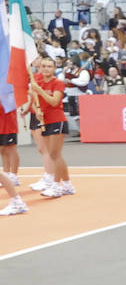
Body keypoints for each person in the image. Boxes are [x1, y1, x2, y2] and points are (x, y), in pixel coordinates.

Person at [27, 57, 72, 199]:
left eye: (49, 66)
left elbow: (54, 101)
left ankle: (56, 186)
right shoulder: (37, 82)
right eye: (44, 66)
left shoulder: (57, 83)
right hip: (44, 121)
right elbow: (34, 102)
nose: (46, 69)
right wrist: (37, 110)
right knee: (53, 154)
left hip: (57, 121)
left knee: (54, 154)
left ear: (54, 68)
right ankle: (67, 184)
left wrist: (40, 90)